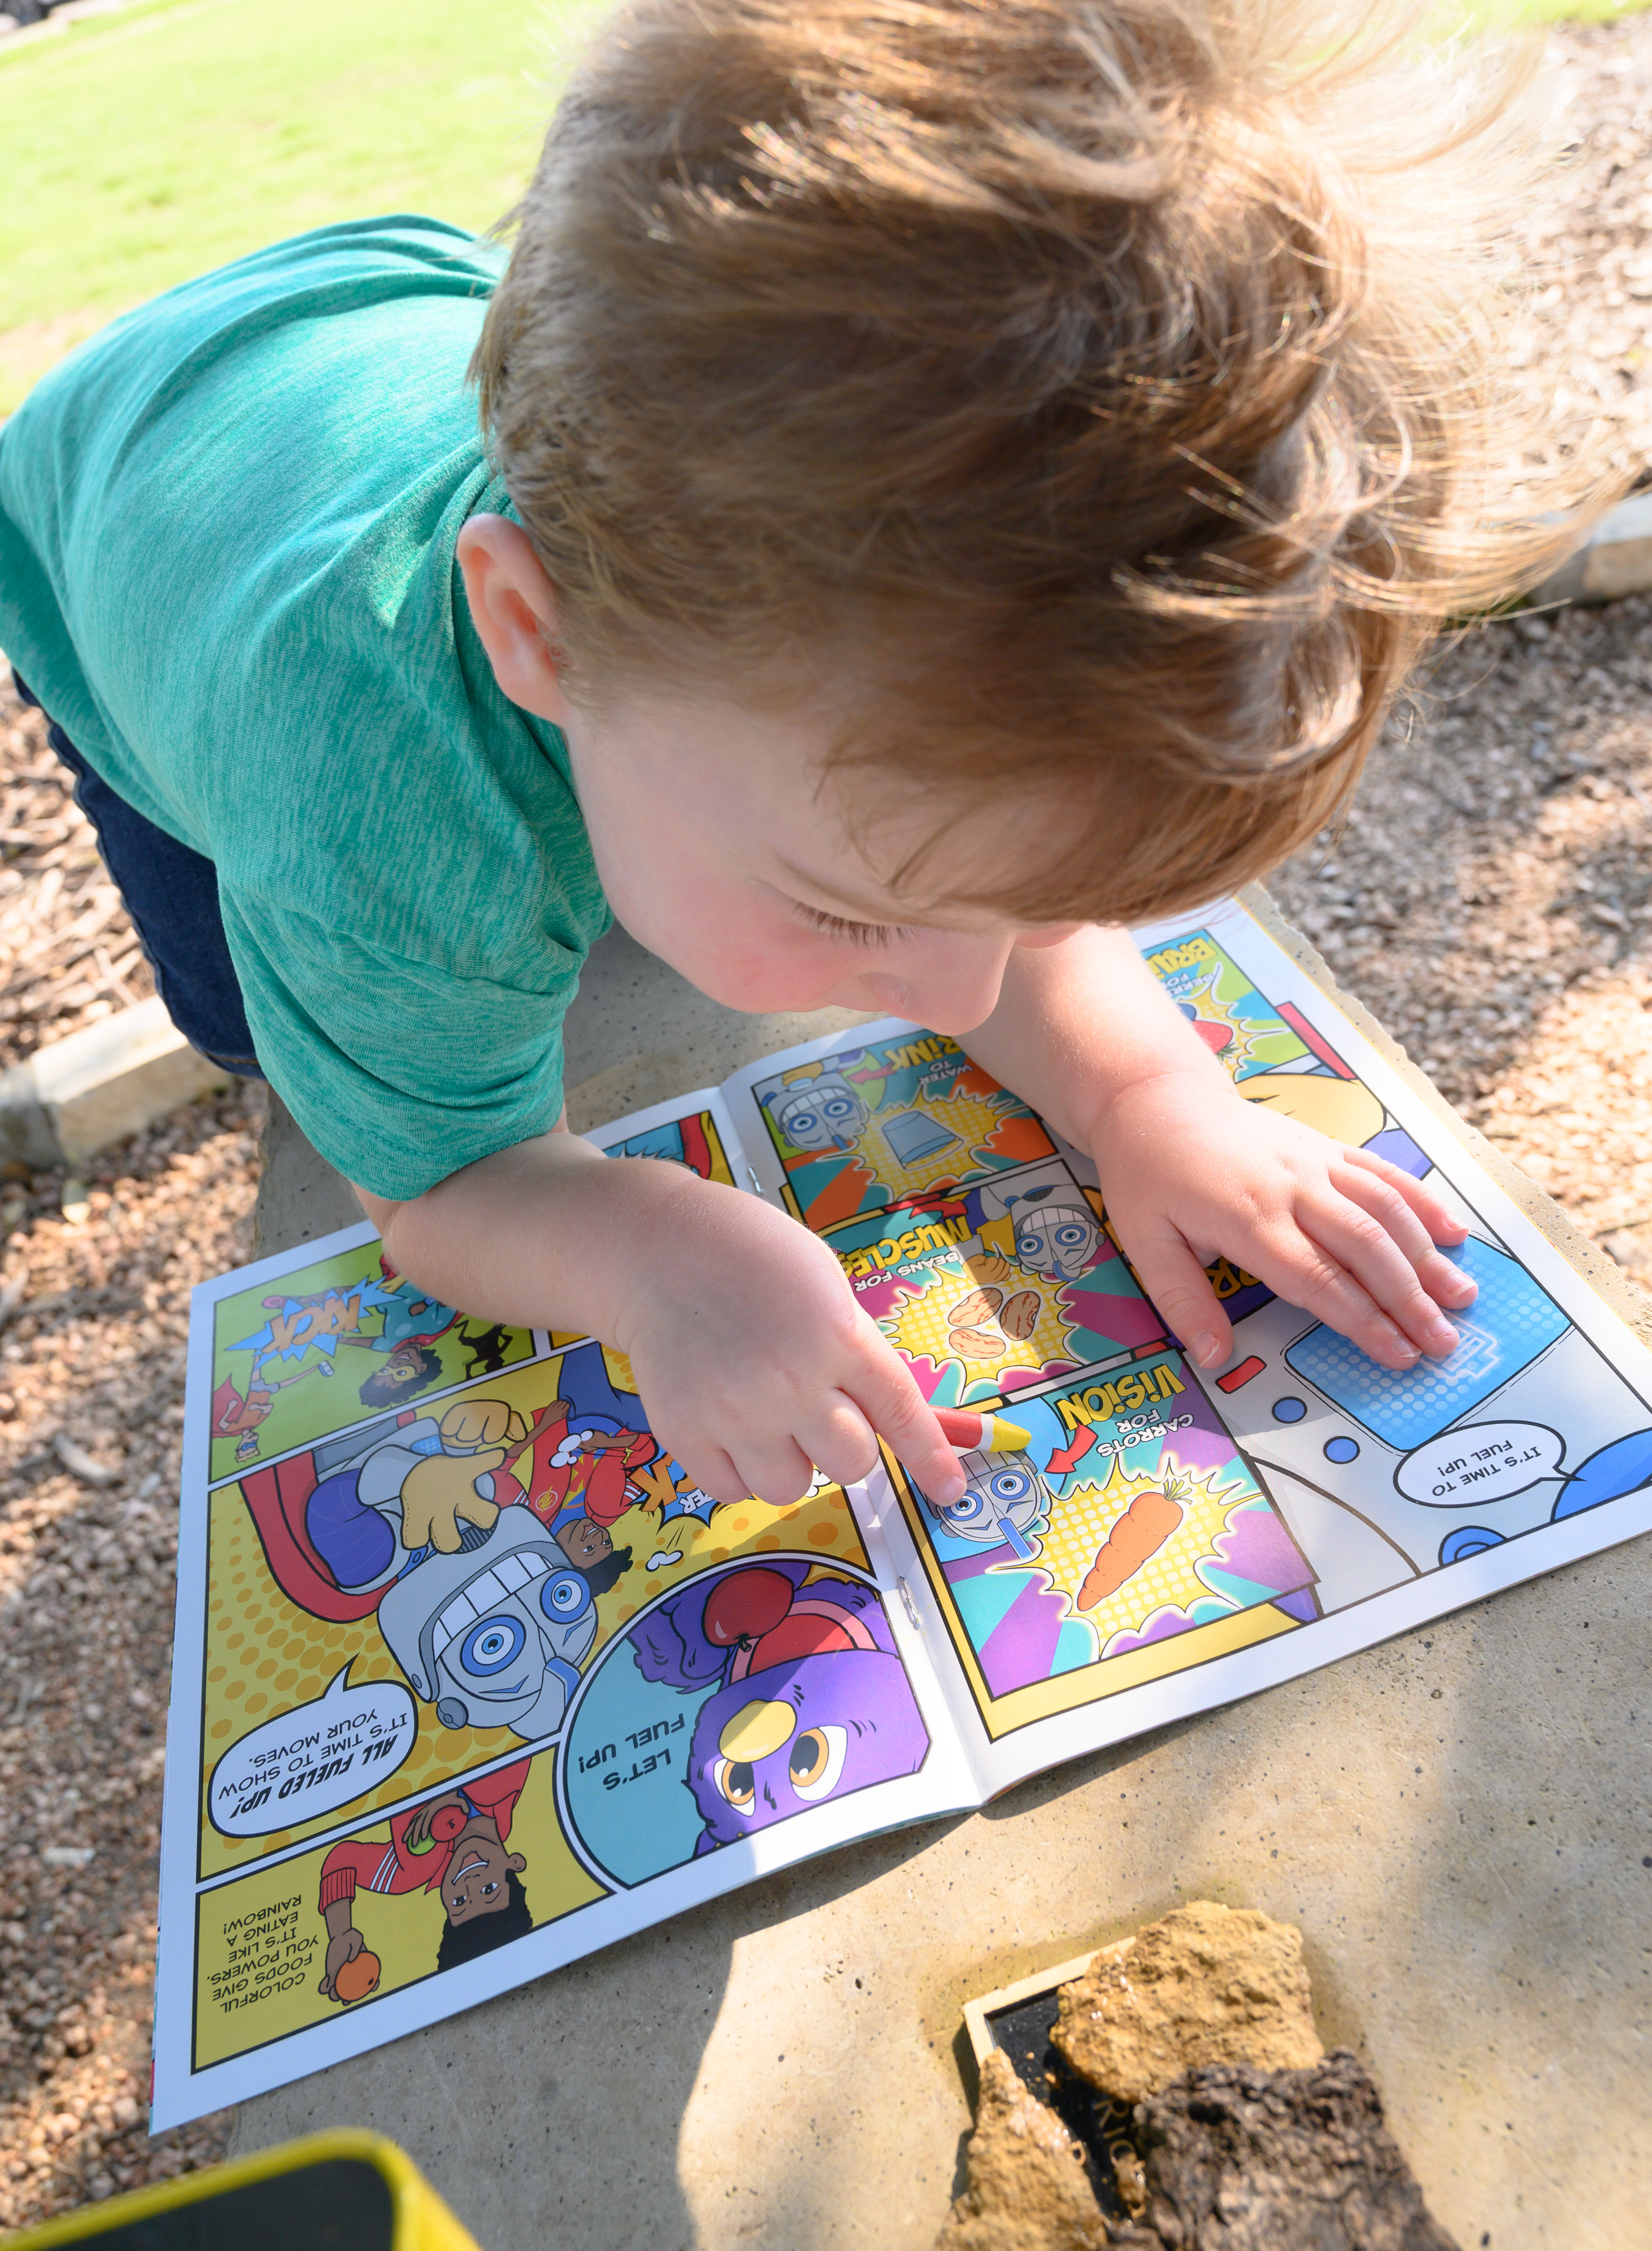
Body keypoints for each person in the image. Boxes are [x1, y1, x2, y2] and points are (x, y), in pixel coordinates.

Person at [0, 0, 1603, 1520]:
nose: (963, 995)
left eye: (1029, 912)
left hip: (379, 319)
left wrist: (1141, 1090)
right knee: (278, 1027)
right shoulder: (361, 810)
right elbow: (431, 1191)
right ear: (537, 634)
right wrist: (649, 1251)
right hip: (107, 514)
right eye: (849, 906)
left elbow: (965, 870)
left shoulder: (715, 625)